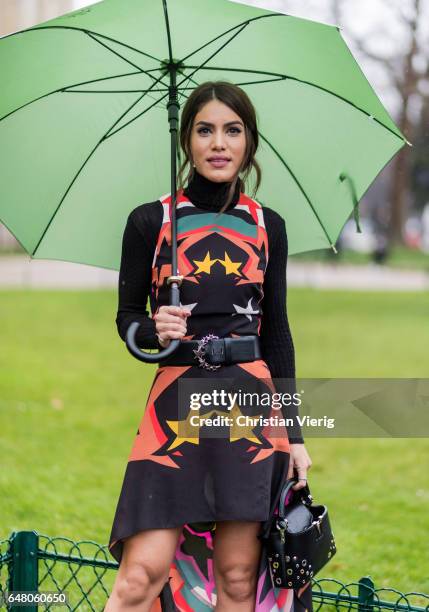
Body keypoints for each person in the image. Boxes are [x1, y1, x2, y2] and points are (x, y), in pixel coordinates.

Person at [105, 81, 313, 612]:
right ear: (188, 142)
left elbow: (278, 335)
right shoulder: (149, 221)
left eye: (232, 130)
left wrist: (296, 436)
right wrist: (155, 330)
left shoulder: (269, 226)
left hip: (251, 403)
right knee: (139, 576)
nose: (218, 143)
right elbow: (127, 321)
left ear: (249, 142)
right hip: (174, 406)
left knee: (239, 577)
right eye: (205, 130)